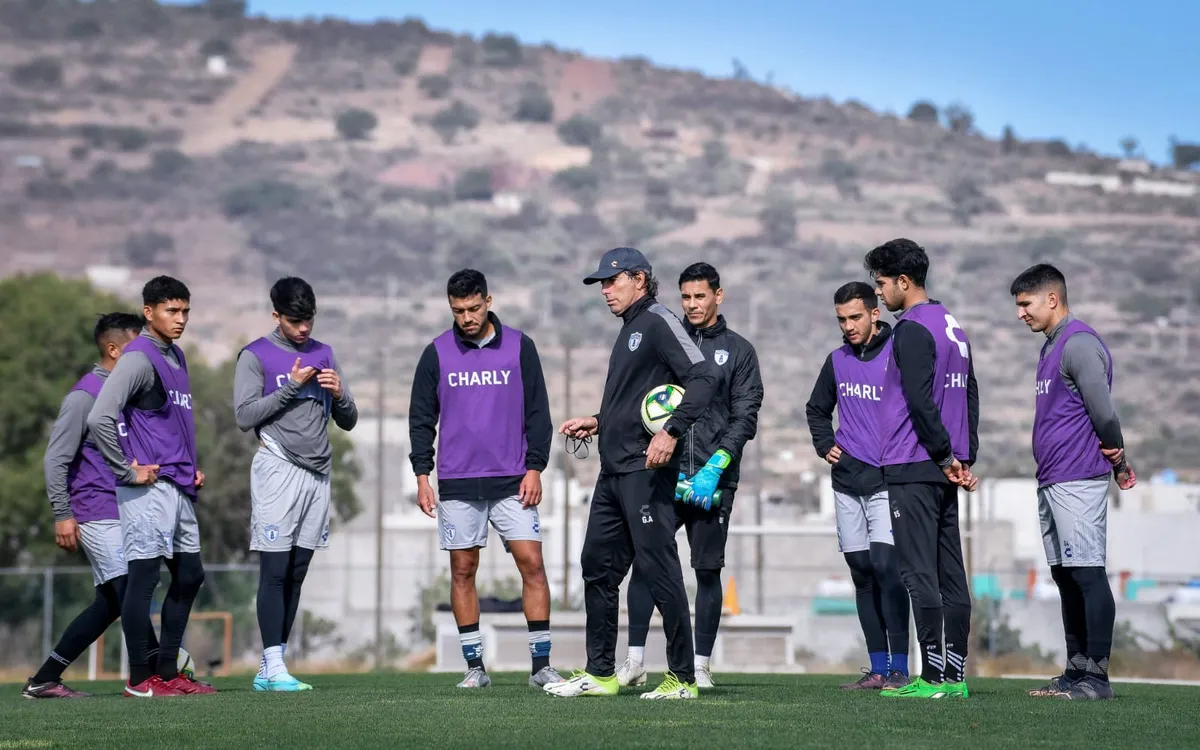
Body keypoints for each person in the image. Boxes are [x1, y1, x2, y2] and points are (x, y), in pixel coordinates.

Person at [547, 247, 719, 700]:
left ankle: (682, 679)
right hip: (613, 471)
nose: (605, 290)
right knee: (597, 568)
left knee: (659, 570)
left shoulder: (659, 321)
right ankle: (601, 674)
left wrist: (672, 431)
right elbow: (634, 402)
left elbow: (704, 378)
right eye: (601, 284)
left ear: (639, 279)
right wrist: (598, 421)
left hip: (646, 470)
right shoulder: (629, 329)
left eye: (612, 280)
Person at [408, 269, 562, 689]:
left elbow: (538, 412)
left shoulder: (520, 346)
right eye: (458, 311)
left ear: (488, 301)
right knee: (463, 570)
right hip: (457, 482)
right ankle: (474, 667)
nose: (467, 318)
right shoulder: (436, 353)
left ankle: (541, 667)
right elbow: (421, 419)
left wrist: (535, 467)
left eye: (474, 308)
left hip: (513, 479)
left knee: (533, 564)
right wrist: (422, 475)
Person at [616, 262, 763, 690]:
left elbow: (745, 416)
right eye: (685, 297)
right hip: (665, 475)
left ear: (719, 295)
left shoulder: (739, 351)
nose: (692, 304)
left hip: (713, 481)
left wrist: (716, 466)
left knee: (707, 570)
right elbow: (644, 403)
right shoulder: (668, 342)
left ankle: (699, 665)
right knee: (646, 564)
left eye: (700, 296)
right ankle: (635, 660)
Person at [1010, 263, 1135, 701]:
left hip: (1078, 477)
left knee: (1087, 572)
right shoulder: (1051, 346)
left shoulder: (1078, 344)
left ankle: (1097, 677)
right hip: (1053, 479)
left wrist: (1120, 459)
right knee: (1065, 575)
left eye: (1025, 304)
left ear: (1052, 299)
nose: (1020, 313)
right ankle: (1076, 670)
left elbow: (1104, 412)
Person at [861, 239, 979, 699]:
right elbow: (970, 394)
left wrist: (945, 455)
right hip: (943, 466)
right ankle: (955, 678)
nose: (878, 293)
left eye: (881, 283)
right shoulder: (953, 326)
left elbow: (919, 400)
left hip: (915, 463)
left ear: (903, 281)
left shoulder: (910, 329)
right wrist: (963, 458)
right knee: (950, 573)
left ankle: (930, 679)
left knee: (919, 574)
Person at [87, 276, 214, 698]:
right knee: (144, 579)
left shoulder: (176, 355)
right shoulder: (138, 358)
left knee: (190, 575)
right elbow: (100, 417)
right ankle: (140, 679)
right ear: (149, 312)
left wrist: (190, 467)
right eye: (171, 311)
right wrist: (126, 471)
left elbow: (171, 423)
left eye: (185, 311)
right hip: (148, 488)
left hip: (178, 484)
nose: (181, 319)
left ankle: (168, 672)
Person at [234, 277, 358, 691]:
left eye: (308, 320)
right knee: (274, 569)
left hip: (318, 473)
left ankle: (273, 666)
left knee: (297, 572)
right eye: (294, 321)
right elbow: (244, 416)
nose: (303, 328)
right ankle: (272, 665)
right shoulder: (255, 355)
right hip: (278, 468)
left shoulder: (325, 353)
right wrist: (290, 388)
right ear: (276, 315)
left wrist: (340, 396)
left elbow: (349, 420)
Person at [25, 314, 157, 698]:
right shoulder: (84, 396)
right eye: (136, 348)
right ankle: (154, 672)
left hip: (127, 509)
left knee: (111, 601)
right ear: (113, 350)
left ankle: (45, 679)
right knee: (129, 589)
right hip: (95, 510)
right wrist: (62, 514)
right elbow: (56, 459)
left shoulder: (129, 395)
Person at [804, 282, 911, 691]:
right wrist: (824, 443)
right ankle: (878, 669)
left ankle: (900, 668)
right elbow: (816, 409)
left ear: (874, 314)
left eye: (855, 317)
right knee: (862, 573)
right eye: (841, 319)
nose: (848, 326)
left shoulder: (897, 353)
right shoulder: (837, 360)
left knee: (887, 567)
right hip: (847, 481)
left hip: (886, 479)